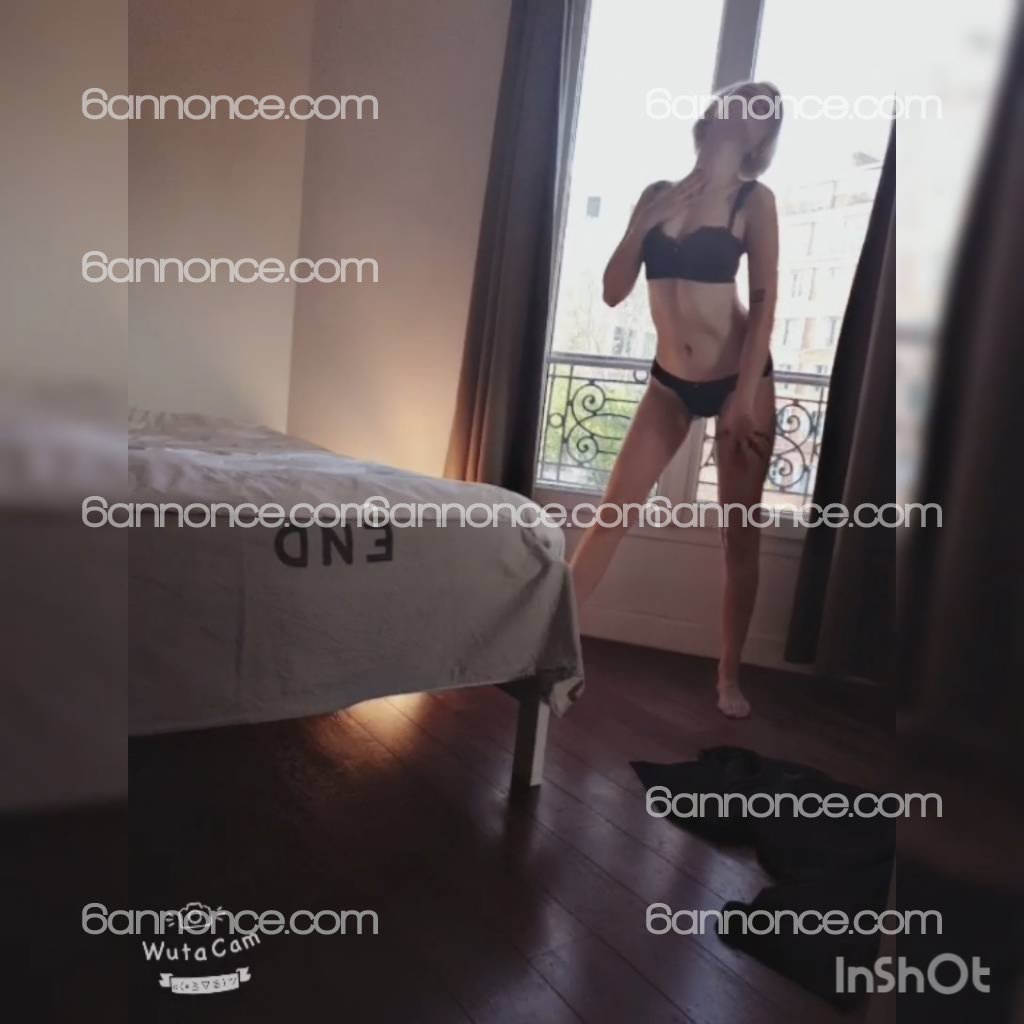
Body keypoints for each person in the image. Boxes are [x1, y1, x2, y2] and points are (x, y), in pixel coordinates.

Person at [570, 81, 784, 719]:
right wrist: (642, 222)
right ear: (717, 110)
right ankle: (549, 651)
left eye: (766, 111)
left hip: (741, 378)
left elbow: (765, 304)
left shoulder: (753, 200)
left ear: (762, 136)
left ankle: (728, 677)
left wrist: (744, 395)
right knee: (611, 515)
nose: (752, 110)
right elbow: (612, 291)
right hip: (669, 381)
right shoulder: (657, 195)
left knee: (738, 536)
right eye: (746, 98)